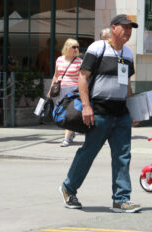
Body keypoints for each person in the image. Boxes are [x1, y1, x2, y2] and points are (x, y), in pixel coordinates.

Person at [59, 14, 141, 213]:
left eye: (131, 28)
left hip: (120, 113)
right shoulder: (98, 48)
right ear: (113, 28)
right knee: (88, 153)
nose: (128, 31)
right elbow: (83, 78)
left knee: (123, 156)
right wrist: (87, 107)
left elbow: (126, 85)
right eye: (125, 27)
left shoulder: (128, 54)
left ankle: (121, 199)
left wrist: (132, 110)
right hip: (99, 112)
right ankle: (68, 189)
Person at [47, 38, 82, 147]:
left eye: (77, 47)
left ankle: (66, 138)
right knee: (60, 112)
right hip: (60, 90)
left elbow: (83, 78)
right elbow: (56, 75)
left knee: (69, 113)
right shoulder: (59, 59)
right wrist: (50, 88)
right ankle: (71, 133)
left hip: (73, 91)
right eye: (74, 47)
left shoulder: (79, 62)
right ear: (67, 48)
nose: (76, 49)